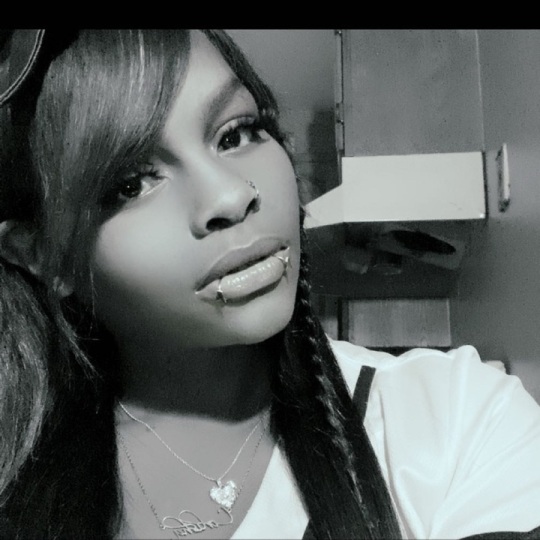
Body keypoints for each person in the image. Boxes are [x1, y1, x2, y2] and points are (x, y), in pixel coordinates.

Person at [0, 29, 539, 540]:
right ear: (44, 256)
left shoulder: (454, 419)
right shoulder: (16, 475)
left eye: (235, 134)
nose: (232, 196)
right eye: (131, 183)